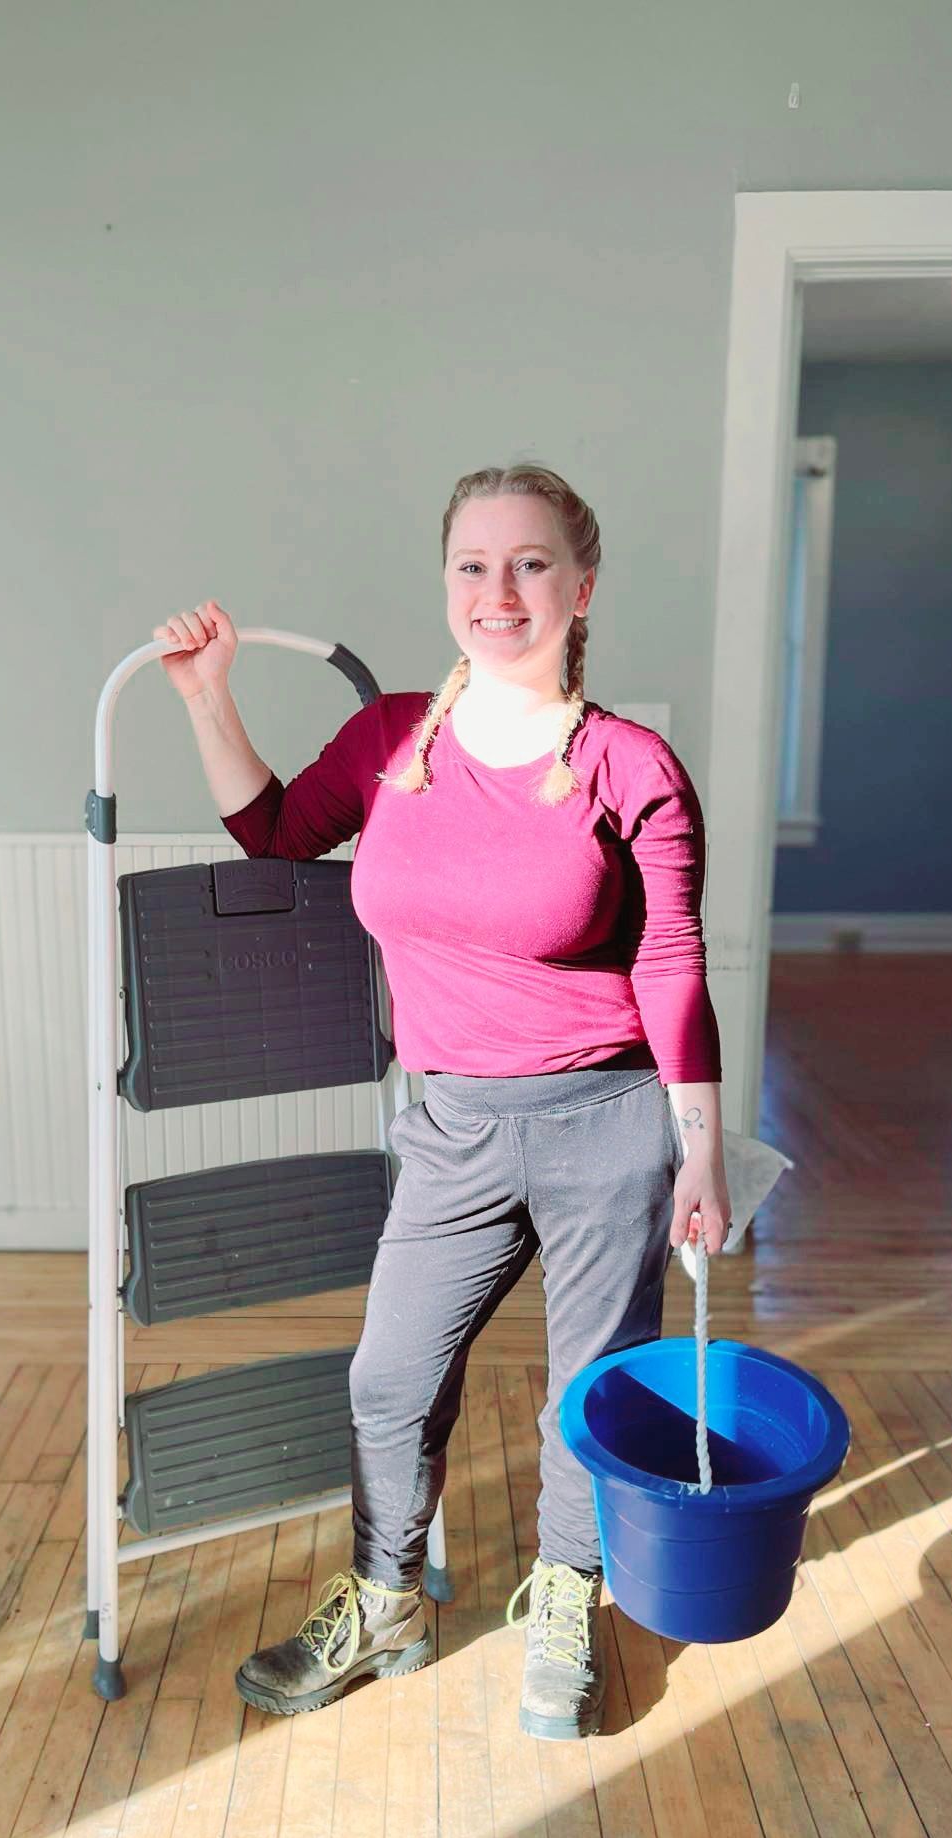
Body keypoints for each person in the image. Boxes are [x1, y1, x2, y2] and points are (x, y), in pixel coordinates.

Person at [155, 463, 730, 1741]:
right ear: (447, 585)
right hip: (453, 1124)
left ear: (582, 589)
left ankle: (567, 1598)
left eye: (530, 564)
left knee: (593, 1388)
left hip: (607, 1120)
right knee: (390, 1377)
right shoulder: (394, 740)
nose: (499, 591)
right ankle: (387, 1601)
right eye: (473, 565)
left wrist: (702, 1151)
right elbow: (278, 832)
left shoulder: (629, 763)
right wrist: (209, 697)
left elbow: (674, 963)